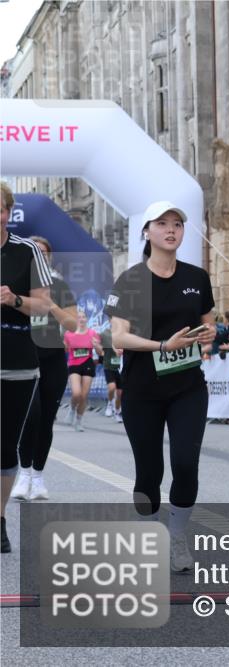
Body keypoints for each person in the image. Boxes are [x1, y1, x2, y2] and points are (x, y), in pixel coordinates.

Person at [105, 201, 217, 573]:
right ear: (147, 231)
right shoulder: (130, 280)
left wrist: (208, 335)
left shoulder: (197, 278)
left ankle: (177, 535)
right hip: (141, 389)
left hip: (187, 386)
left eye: (177, 224)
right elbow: (117, 335)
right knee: (148, 471)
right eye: (163, 223)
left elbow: (208, 325)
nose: (172, 230)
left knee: (186, 463)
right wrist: (161, 346)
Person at [1, 182, 53, 553]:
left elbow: (44, 306)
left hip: (15, 361)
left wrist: (14, 298)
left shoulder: (27, 250)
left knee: (5, 448)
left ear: (8, 212)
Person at [11, 236, 76, 502]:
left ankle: (38, 476)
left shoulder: (59, 286)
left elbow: (72, 325)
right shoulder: (18, 283)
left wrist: (51, 305)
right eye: (35, 252)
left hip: (52, 357)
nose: (40, 256)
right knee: (31, 415)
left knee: (46, 418)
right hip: (25, 355)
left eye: (44, 253)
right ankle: (23, 473)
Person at [63, 310, 102, 432]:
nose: (81, 319)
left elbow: (101, 352)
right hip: (74, 364)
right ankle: (72, 409)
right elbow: (65, 350)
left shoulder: (93, 333)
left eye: (83, 317)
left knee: (84, 395)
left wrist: (96, 345)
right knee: (76, 393)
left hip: (88, 364)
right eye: (78, 317)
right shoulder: (69, 334)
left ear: (86, 319)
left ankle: (79, 420)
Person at [100, 328, 124, 421]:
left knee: (119, 393)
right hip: (109, 366)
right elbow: (100, 352)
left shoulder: (123, 334)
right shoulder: (105, 334)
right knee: (111, 387)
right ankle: (110, 403)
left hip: (120, 367)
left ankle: (117, 411)